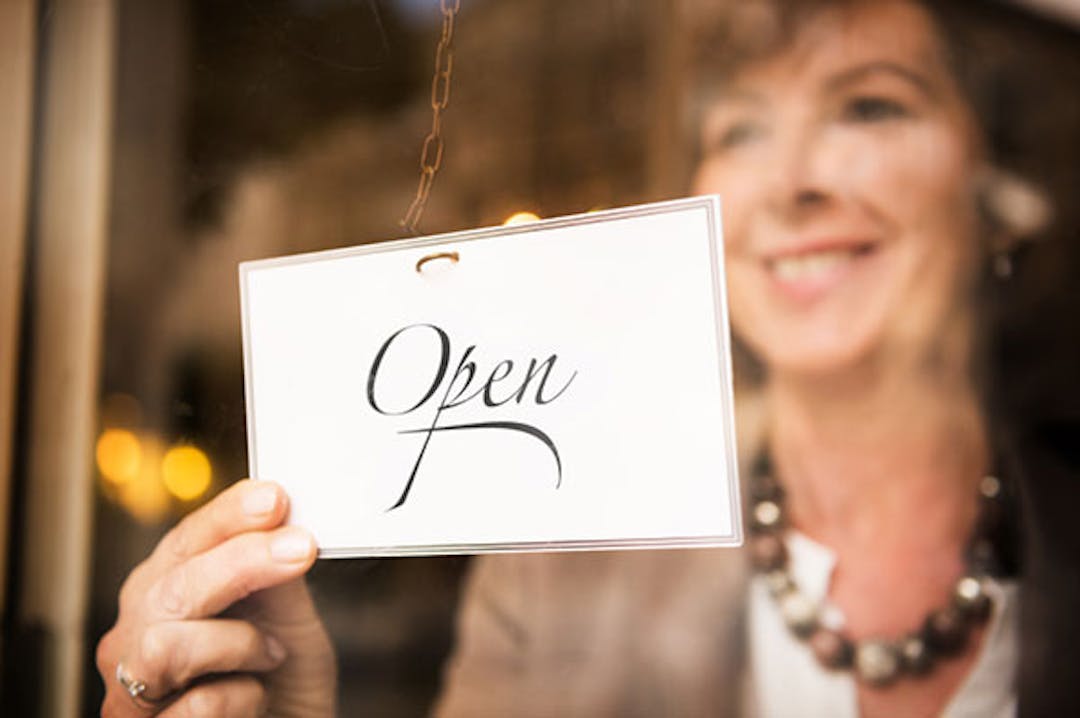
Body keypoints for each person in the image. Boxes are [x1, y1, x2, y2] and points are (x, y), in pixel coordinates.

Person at [96, 0, 1078, 715]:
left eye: (870, 107)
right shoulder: (556, 574)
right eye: (741, 129)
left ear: (1001, 193)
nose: (790, 184)